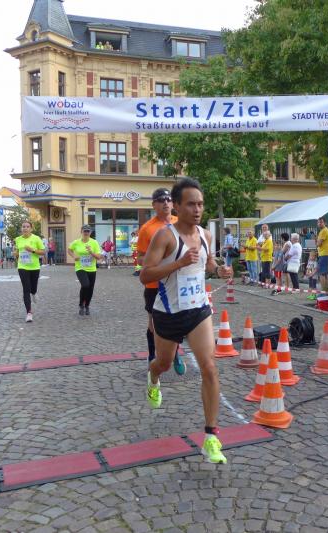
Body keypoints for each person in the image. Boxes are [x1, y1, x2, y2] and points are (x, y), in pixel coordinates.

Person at [139, 178, 234, 464]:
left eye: (200, 204)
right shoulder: (164, 237)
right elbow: (145, 274)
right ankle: (153, 377)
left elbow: (207, 262)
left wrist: (219, 269)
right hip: (168, 313)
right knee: (164, 363)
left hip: (198, 311)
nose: (197, 209)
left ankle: (211, 437)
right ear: (177, 206)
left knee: (209, 367)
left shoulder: (206, 235)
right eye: (191, 204)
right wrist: (178, 263)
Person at [136, 187, 184, 374]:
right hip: (154, 284)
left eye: (168, 199)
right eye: (161, 200)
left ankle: (174, 353)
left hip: (176, 282)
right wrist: (156, 261)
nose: (166, 202)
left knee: (177, 320)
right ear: (153, 205)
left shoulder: (181, 222)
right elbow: (140, 258)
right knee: (154, 323)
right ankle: (152, 355)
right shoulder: (147, 228)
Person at [14, 220, 45, 322]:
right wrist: (16, 254)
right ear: (21, 228)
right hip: (22, 267)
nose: (25, 228)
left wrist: (32, 250)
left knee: (33, 288)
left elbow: (43, 252)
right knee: (26, 289)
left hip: (34, 267)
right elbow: (17, 252)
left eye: (27, 227)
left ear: (31, 229)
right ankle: (29, 313)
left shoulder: (36, 238)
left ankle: (34, 292)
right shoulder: (18, 239)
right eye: (23, 226)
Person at [68, 225, 102, 316]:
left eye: (88, 231)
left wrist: (91, 252)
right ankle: (81, 304)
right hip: (80, 268)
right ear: (81, 232)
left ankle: (87, 306)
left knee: (90, 288)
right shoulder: (76, 242)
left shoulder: (94, 243)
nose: (86, 233)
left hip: (92, 269)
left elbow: (99, 257)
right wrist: (74, 256)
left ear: (90, 232)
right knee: (85, 285)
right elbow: (69, 250)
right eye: (84, 231)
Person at [316, 217, 328, 291]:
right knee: (325, 273)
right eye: (318, 222)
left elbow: (319, 244)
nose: (319, 223)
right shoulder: (324, 230)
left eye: (321, 222)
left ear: (325, 223)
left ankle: (323, 291)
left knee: (321, 273)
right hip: (326, 253)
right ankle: (327, 290)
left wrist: (316, 242)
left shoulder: (323, 231)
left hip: (324, 254)